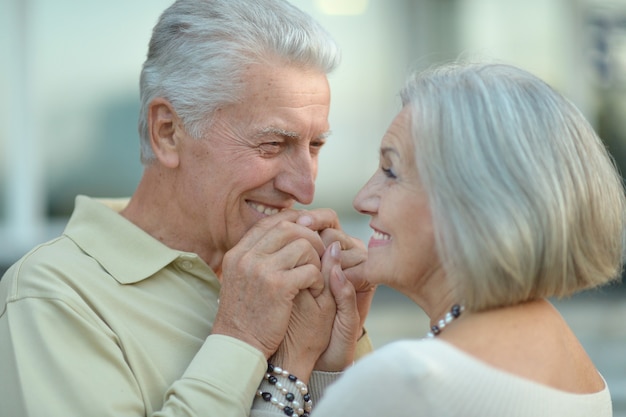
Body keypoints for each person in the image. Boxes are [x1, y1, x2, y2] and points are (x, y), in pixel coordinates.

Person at [0, 1, 376, 416]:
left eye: (315, 145)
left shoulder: (296, 278)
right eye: (272, 145)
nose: (305, 188)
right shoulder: (52, 297)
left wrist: (329, 368)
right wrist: (241, 337)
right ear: (168, 132)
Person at [255, 61, 626, 416]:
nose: (363, 200)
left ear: (476, 200)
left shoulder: (412, 379)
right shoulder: (577, 366)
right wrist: (331, 370)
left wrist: (286, 369)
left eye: (391, 172)